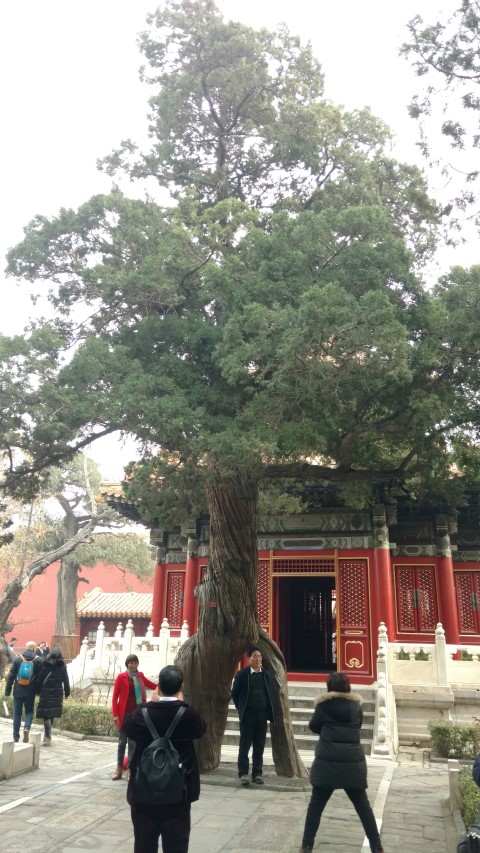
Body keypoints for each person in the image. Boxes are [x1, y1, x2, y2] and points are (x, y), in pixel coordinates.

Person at [124, 663, 206, 853]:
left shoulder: (142, 714)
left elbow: (127, 728)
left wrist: (149, 703)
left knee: (144, 845)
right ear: (181, 687)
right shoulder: (188, 714)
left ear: (158, 687)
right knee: (176, 846)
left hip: (144, 789)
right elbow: (201, 730)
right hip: (178, 791)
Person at [299, 672, 384, 853]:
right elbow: (358, 725)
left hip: (327, 764)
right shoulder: (356, 708)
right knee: (364, 808)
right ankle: (377, 847)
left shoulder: (323, 706)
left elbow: (314, 726)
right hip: (352, 764)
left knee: (315, 807)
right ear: (348, 687)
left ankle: (306, 846)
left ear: (329, 687)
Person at [231, 644, 274, 786]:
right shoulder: (242, 675)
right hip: (248, 714)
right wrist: (241, 707)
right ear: (248, 659)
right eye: (255, 656)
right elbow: (235, 694)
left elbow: (271, 693)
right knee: (245, 744)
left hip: (262, 714)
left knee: (260, 744)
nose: (258, 659)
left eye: (260, 656)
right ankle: (243, 773)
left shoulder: (266, 674)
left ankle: (257, 773)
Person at [111, 654, 157, 780]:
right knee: (121, 742)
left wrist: (167, 686)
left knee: (133, 743)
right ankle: (119, 768)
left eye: (135, 662)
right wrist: (115, 714)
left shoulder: (140, 676)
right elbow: (115, 697)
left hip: (137, 714)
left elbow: (152, 685)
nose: (133, 665)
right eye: (130, 663)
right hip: (124, 714)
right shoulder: (121, 677)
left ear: (137, 663)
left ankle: (131, 769)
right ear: (127, 664)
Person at [4, 640, 42, 743]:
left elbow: (11, 676)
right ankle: (26, 728)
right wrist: (38, 691)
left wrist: (7, 692)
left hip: (18, 691)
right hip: (30, 692)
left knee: (17, 713)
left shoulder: (18, 659)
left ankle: (16, 736)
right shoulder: (38, 660)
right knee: (29, 711)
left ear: (26, 648)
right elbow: (40, 678)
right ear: (34, 649)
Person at [35, 646, 70, 745]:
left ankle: (47, 737)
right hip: (57, 692)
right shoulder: (62, 665)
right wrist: (67, 693)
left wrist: (37, 691)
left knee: (46, 714)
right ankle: (48, 736)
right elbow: (66, 681)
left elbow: (40, 679)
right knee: (52, 713)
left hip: (45, 692)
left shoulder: (44, 664)